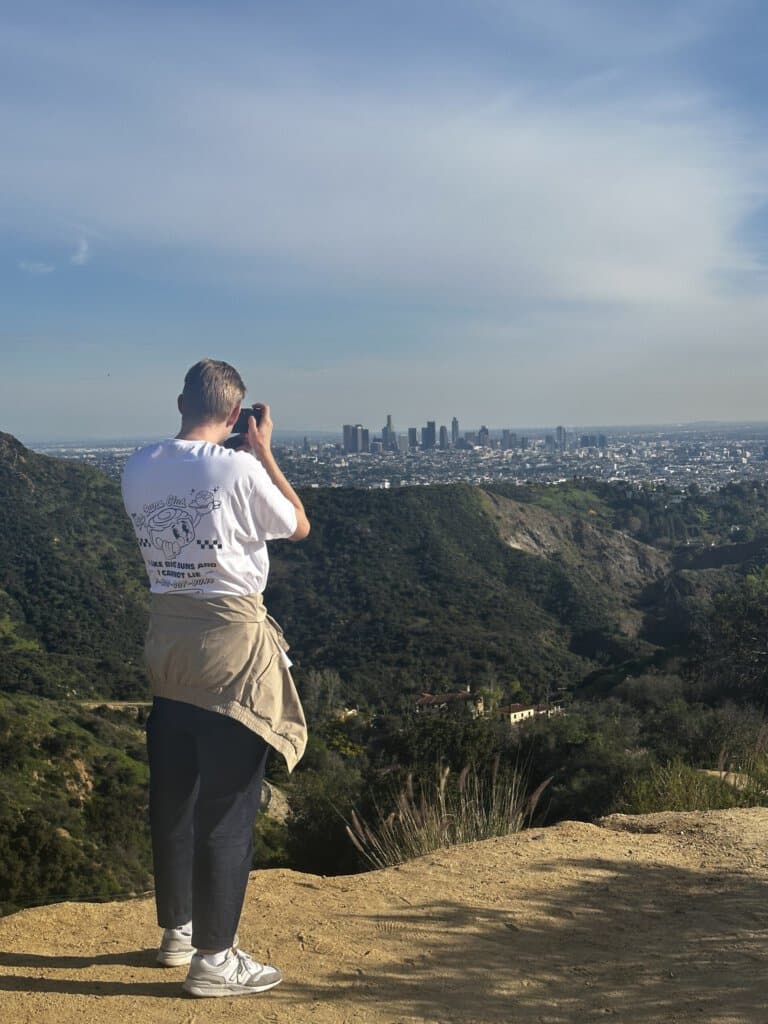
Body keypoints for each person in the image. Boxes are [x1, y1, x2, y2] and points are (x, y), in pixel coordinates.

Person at [121, 358, 310, 998]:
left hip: (165, 641)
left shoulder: (138, 464)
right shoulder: (239, 465)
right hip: (229, 646)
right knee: (228, 806)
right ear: (236, 414)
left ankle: (177, 933)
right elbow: (297, 524)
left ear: (179, 401)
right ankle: (215, 961)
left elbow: (186, 485)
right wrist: (263, 451)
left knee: (174, 797)